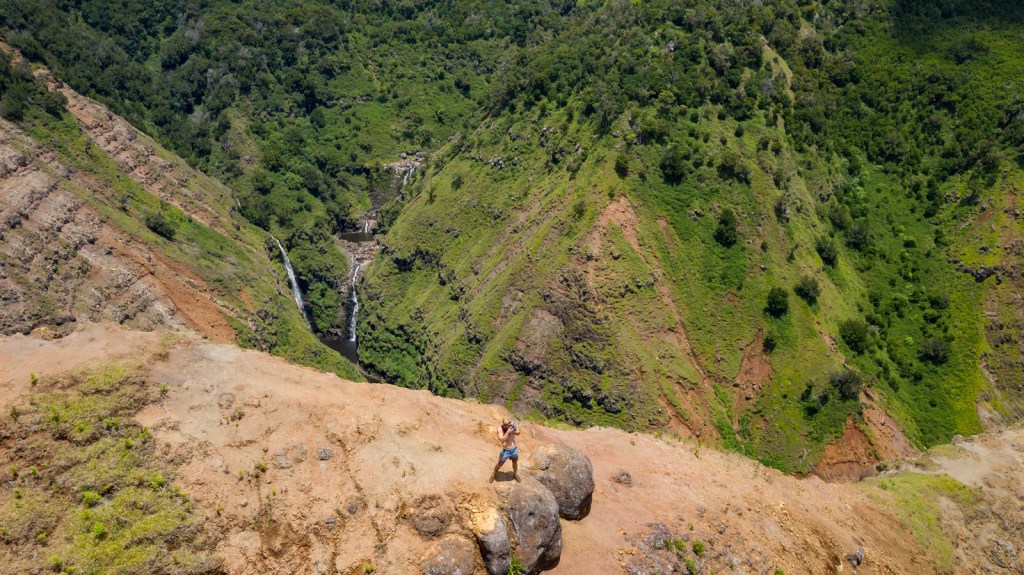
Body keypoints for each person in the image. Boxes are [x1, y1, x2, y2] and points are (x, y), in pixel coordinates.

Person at [490, 417, 521, 483]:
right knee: (500, 464)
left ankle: (515, 474)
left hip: (514, 449)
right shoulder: (500, 429)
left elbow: (518, 433)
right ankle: (494, 473)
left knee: (515, 462)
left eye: (509, 424)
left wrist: (515, 428)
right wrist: (508, 432)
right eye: (506, 425)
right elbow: (501, 440)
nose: (509, 426)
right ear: (503, 424)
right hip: (506, 451)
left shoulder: (512, 425)